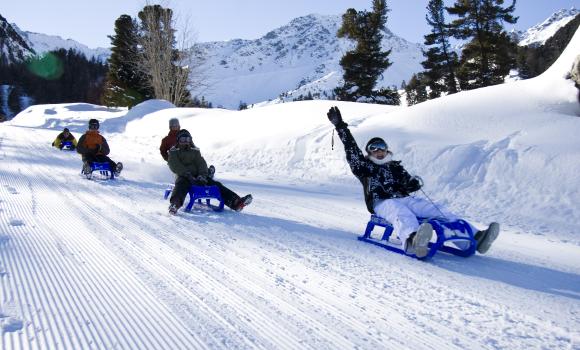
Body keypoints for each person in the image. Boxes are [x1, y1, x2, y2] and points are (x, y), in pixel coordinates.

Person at [326, 106, 499, 258]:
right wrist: (340, 127)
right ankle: (412, 241)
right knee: (401, 213)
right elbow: (352, 150)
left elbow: (407, 182)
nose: (379, 151)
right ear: (369, 152)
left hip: (403, 198)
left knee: (436, 209)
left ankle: (475, 238)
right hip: (381, 202)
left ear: (387, 150)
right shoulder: (363, 167)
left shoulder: (394, 166)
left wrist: (412, 184)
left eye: (381, 147)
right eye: (374, 148)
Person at [167, 129, 252, 215]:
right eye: (183, 139)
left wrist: (202, 175)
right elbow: (174, 165)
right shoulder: (174, 152)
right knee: (181, 186)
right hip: (184, 176)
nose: (185, 142)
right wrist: (187, 174)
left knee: (216, 185)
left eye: (187, 139)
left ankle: (236, 203)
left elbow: (201, 163)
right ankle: (174, 205)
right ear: (178, 140)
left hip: (198, 176)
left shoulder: (195, 151)